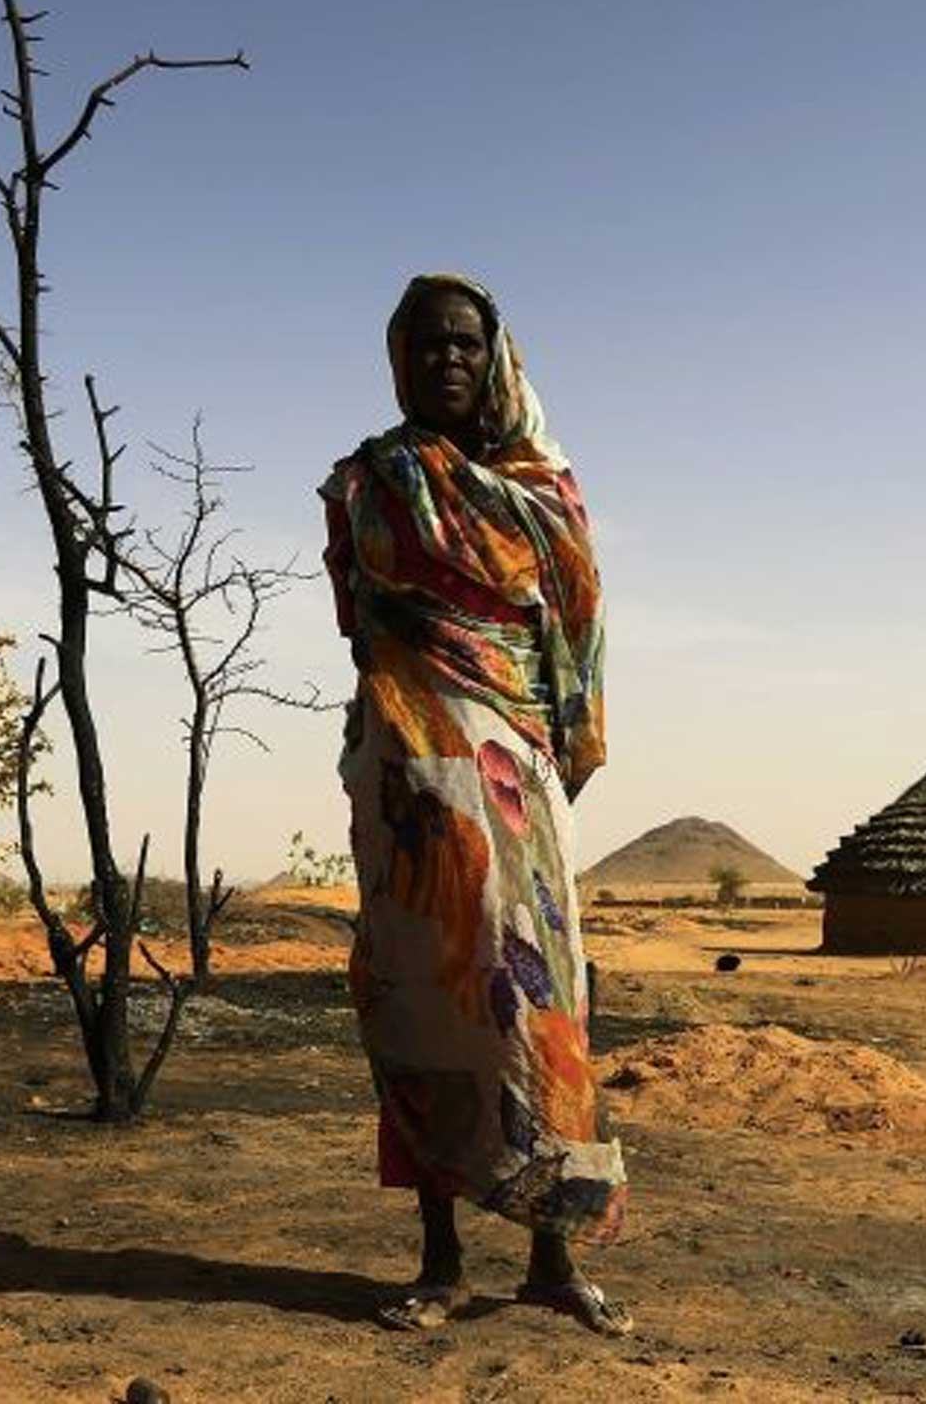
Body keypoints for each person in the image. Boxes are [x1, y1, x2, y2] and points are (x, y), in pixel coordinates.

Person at [319, 272, 630, 1336]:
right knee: (416, 1005)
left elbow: (576, 638)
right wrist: (408, 744)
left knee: (541, 1009)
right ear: (394, 359)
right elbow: (360, 628)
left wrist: (549, 747)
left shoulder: (543, 489)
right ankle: (439, 1260)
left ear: (495, 357)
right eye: (422, 345)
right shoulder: (364, 481)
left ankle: (551, 1255)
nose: (443, 361)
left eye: (461, 343)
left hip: (517, 781)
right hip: (406, 788)